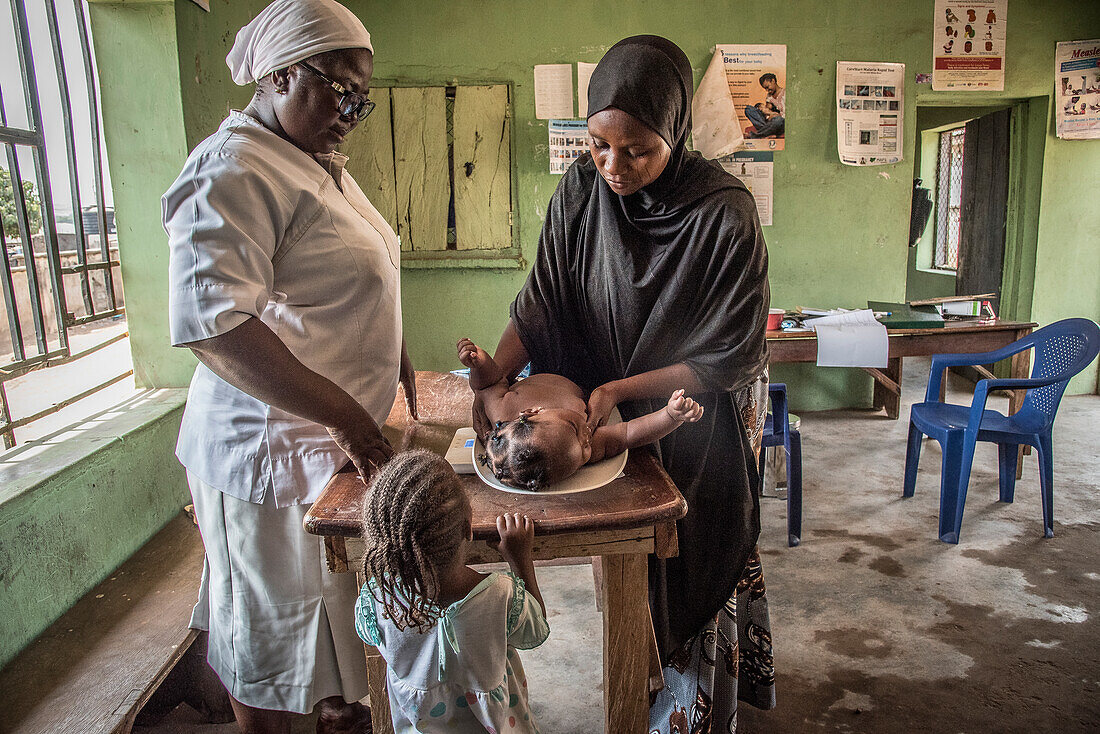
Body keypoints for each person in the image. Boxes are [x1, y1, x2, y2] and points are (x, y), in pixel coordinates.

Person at [481, 35, 774, 733]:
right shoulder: (582, 192)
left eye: (638, 148)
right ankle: (634, 693)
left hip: (694, 422)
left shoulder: (722, 213)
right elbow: (542, 300)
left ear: (674, 131)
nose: (615, 166)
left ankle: (691, 717)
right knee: (625, 572)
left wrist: (621, 388)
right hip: (607, 426)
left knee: (693, 559)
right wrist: (493, 377)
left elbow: (731, 351)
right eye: (598, 146)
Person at [163, 1, 416, 731]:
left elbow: (345, 281)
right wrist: (346, 416)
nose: (351, 110)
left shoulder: (314, 162)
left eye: (361, 98)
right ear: (278, 74)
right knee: (270, 654)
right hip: (269, 457)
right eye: (338, 89)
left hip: (331, 452)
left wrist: (393, 353)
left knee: (340, 645)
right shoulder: (232, 169)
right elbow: (216, 329)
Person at [355, 450, 550, 733]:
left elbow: (373, 636)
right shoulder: (499, 595)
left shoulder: (378, 599)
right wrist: (520, 559)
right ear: (468, 529)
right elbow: (536, 629)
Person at [457, 337, 703, 490]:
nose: (587, 436)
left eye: (576, 430)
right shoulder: (574, 451)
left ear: (532, 413)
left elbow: (489, 384)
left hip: (551, 361)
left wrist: (478, 362)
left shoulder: (505, 408)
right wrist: (670, 416)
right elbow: (628, 433)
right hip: (586, 379)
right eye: (584, 454)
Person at [744, 73, 785, 138]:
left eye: (767, 87)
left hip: (780, 122)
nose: (767, 90)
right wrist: (768, 114)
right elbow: (767, 111)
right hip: (770, 122)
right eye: (765, 88)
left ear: (773, 81)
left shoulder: (785, 93)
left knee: (778, 120)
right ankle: (768, 132)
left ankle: (756, 135)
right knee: (748, 109)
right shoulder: (769, 96)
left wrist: (776, 115)